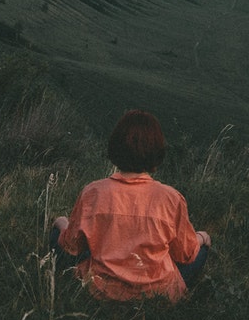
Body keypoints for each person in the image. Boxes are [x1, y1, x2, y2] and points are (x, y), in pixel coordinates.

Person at [49, 109, 212, 302]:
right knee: (201, 251)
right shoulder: (171, 198)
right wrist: (202, 237)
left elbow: (71, 246)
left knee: (57, 238)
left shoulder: (93, 192)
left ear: (115, 148)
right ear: (157, 152)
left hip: (100, 290)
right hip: (156, 295)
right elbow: (185, 255)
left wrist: (61, 223)